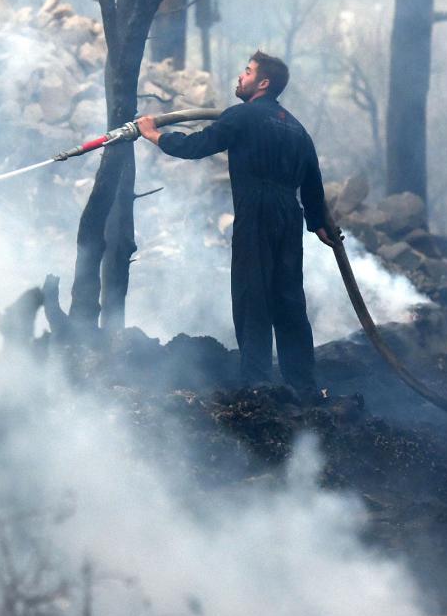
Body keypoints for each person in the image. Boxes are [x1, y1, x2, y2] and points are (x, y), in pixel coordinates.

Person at [136, 51, 337, 400]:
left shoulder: (242, 116)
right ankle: (302, 385)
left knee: (252, 295)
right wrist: (318, 223)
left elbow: (198, 145)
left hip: (256, 212)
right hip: (289, 216)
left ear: (263, 83)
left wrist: (154, 135)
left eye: (247, 72)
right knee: (289, 299)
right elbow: (312, 182)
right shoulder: (297, 129)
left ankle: (257, 384)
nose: (239, 77)